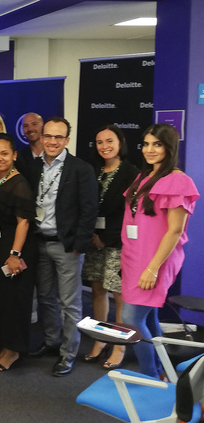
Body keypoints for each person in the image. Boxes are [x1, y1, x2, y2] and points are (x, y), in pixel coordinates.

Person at [121, 124, 199, 379]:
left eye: (157, 144)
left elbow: (175, 231)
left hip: (155, 261)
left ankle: (149, 376)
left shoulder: (178, 181)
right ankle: (164, 372)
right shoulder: (144, 177)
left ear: (169, 148)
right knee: (150, 316)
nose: (149, 149)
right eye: (146, 144)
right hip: (135, 257)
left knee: (132, 319)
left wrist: (152, 268)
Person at [27, 117, 97, 377]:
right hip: (40, 243)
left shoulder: (80, 169)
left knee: (70, 304)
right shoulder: (33, 167)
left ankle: (68, 355)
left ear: (67, 140)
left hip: (67, 247)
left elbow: (89, 210)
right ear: (41, 137)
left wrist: (79, 245)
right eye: (48, 136)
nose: (53, 141)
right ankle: (51, 342)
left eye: (59, 137)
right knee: (46, 298)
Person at [80, 125, 139, 370]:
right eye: (100, 141)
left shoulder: (131, 173)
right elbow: (87, 205)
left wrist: (107, 238)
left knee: (119, 295)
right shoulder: (93, 171)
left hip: (117, 242)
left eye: (109, 141)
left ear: (120, 142)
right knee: (96, 290)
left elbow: (133, 214)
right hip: (94, 240)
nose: (105, 146)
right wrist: (92, 234)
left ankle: (119, 345)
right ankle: (100, 339)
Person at [0, 134, 37, 371]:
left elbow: (23, 222)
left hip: (15, 249)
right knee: (2, 300)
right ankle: (5, 345)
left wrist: (15, 253)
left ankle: (14, 351)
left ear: (14, 155)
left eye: (4, 153)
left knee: (15, 301)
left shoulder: (20, 184)